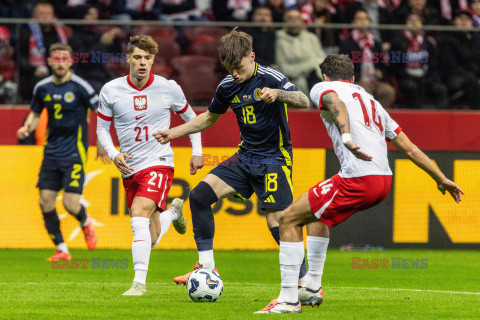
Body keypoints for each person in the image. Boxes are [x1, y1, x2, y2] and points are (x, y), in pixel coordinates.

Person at [256, 54, 464, 314]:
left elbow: (335, 103)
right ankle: (310, 287)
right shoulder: (373, 102)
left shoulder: (323, 88)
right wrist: (440, 177)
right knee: (315, 214)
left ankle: (288, 300)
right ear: (353, 78)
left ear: (324, 76)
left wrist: (346, 135)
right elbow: (409, 148)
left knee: (287, 220)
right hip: (383, 181)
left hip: (359, 177)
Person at [153, 28, 311, 285]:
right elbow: (208, 118)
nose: (234, 74)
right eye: (229, 69)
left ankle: (304, 280)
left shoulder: (270, 77)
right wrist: (173, 133)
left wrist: (278, 94)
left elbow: (303, 100)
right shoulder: (228, 86)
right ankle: (206, 268)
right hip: (245, 156)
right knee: (199, 196)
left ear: (252, 56)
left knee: (279, 220)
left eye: (238, 67)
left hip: (274, 158)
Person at [96, 35, 204, 296]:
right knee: (151, 236)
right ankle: (173, 214)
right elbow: (101, 127)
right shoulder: (111, 90)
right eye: (137, 57)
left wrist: (197, 151)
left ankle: (138, 284)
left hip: (159, 162)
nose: (142, 63)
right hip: (130, 167)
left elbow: (193, 119)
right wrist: (113, 152)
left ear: (153, 60)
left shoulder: (169, 88)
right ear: (128, 59)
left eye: (147, 58)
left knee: (139, 213)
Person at [16, 43, 107, 262]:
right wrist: (26, 127)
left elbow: (102, 113)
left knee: (70, 203)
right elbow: (35, 113)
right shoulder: (42, 87)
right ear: (49, 62)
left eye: (63, 58)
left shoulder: (81, 87)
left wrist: (102, 142)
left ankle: (85, 222)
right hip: (51, 153)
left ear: (70, 61)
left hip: (74, 153)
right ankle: (62, 249)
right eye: (55, 59)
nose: (60, 62)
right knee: (45, 202)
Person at [339, 9, 396, 108]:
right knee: (364, 91)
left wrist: (380, 72)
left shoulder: (375, 43)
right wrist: (357, 78)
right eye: (359, 19)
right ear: (353, 22)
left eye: (365, 19)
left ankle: (378, 117)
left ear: (369, 22)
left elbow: (383, 65)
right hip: (357, 81)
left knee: (388, 91)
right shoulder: (347, 43)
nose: (362, 21)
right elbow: (343, 68)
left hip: (375, 81)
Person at [18, 2, 69, 102]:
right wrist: (34, 70)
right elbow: (20, 59)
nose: (45, 17)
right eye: (42, 14)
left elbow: (69, 54)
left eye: (48, 14)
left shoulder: (60, 33)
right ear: (35, 16)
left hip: (58, 72)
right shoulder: (26, 33)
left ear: (53, 16)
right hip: (34, 75)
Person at [275, 9, 326, 94]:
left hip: (315, 73)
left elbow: (322, 59)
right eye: (290, 18)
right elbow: (282, 66)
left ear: (301, 21)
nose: (294, 21)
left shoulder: (312, 37)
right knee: (301, 82)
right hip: (294, 76)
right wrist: (309, 66)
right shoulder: (279, 39)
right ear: (285, 21)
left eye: (297, 18)